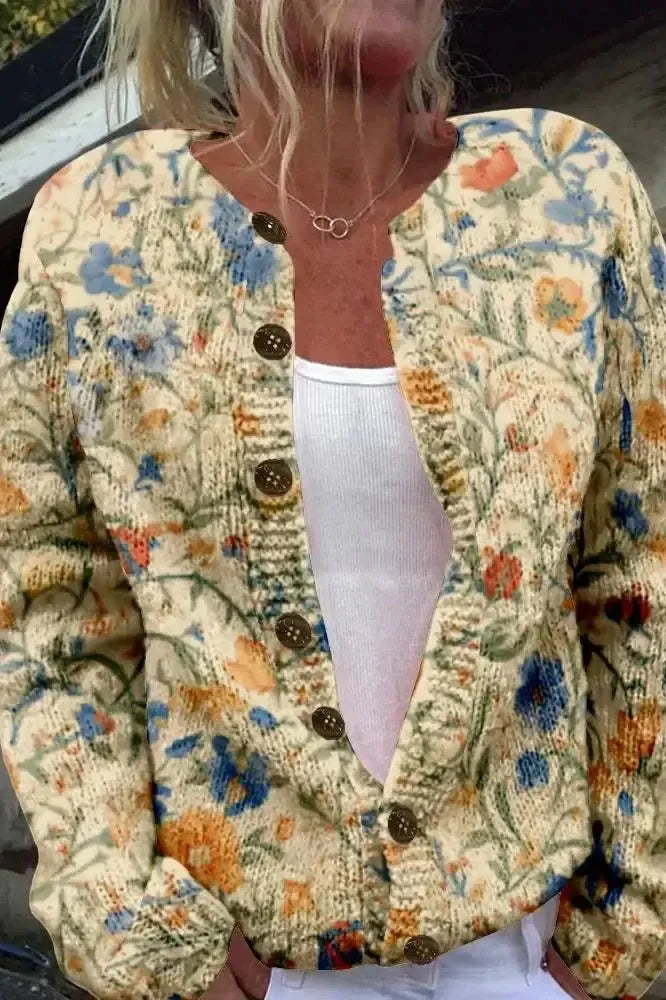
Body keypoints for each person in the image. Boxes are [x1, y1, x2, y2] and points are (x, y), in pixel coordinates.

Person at [0, 0, 665, 998]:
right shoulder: (99, 232)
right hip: (239, 967)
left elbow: (641, 574)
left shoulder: (567, 194)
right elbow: (53, 616)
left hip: (529, 962)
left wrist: (614, 940)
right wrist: (142, 937)